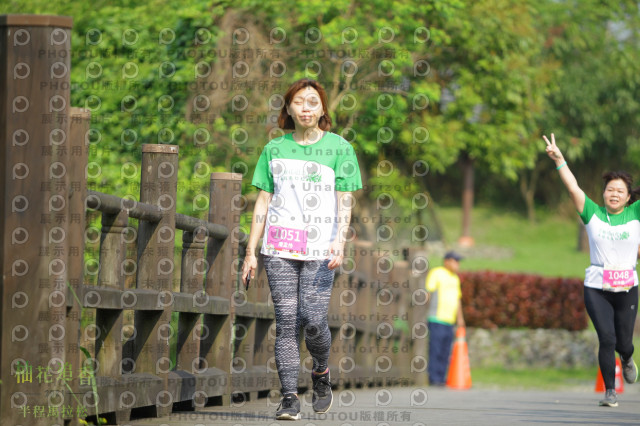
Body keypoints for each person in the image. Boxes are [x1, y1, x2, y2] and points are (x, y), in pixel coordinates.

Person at [241, 78, 362, 420]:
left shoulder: (340, 148)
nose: (306, 108)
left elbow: (345, 198)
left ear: (323, 108)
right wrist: (251, 251)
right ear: (288, 108)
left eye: (312, 102)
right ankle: (289, 397)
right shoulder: (273, 150)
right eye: (299, 102)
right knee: (287, 320)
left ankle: (321, 372)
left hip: (321, 246)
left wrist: (339, 240)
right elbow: (263, 200)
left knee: (312, 318)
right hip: (278, 247)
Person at [543, 133, 639, 407]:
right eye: (610, 189)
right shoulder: (592, 213)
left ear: (628, 196)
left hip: (628, 287)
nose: (615, 194)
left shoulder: (636, 213)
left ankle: (628, 357)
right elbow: (573, 188)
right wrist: (560, 159)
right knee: (606, 338)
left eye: (620, 191)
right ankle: (610, 391)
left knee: (624, 342)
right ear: (604, 193)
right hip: (596, 285)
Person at [426, 250, 466, 386]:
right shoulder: (437, 273)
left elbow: (458, 300)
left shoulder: (455, 278)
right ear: (446, 261)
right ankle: (433, 377)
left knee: (445, 350)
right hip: (436, 318)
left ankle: (441, 378)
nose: (457, 265)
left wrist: (460, 318)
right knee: (435, 349)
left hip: (449, 320)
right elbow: (428, 293)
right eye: (455, 261)